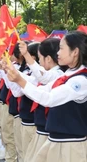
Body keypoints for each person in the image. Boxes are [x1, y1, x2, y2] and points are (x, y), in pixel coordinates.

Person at [6, 31, 87, 162]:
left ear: (75, 52)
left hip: (71, 144)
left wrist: (20, 80)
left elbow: (49, 98)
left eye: (61, 48)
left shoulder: (81, 81)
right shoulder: (68, 74)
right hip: (59, 140)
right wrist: (18, 77)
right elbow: (43, 88)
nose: (58, 53)